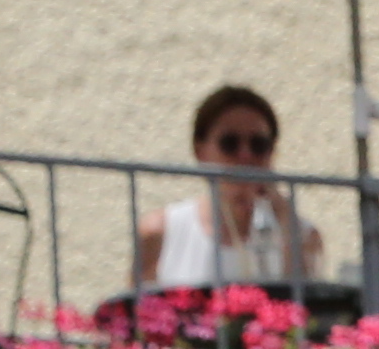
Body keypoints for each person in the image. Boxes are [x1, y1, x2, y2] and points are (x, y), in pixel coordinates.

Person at [129, 79, 308, 298]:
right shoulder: (160, 232)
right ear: (200, 151)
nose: (245, 156)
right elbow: (133, 322)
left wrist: (287, 224)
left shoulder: (302, 234)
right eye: (230, 143)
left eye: (258, 145)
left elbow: (309, 315)